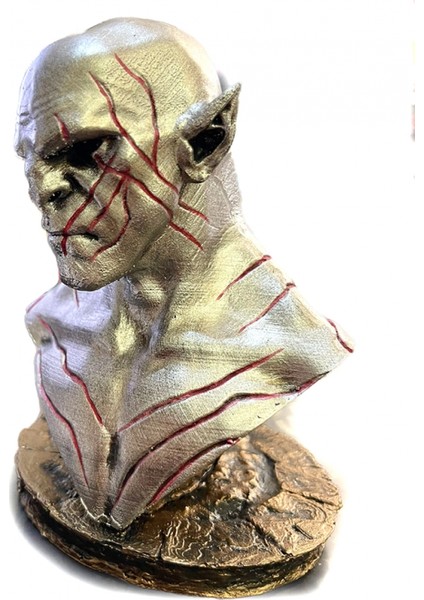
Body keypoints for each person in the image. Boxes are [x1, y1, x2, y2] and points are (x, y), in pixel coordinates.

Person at [16, 18, 352, 530]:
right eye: (31, 157)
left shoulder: (288, 347)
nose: (42, 190)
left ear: (206, 142)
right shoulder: (54, 324)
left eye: (86, 150)